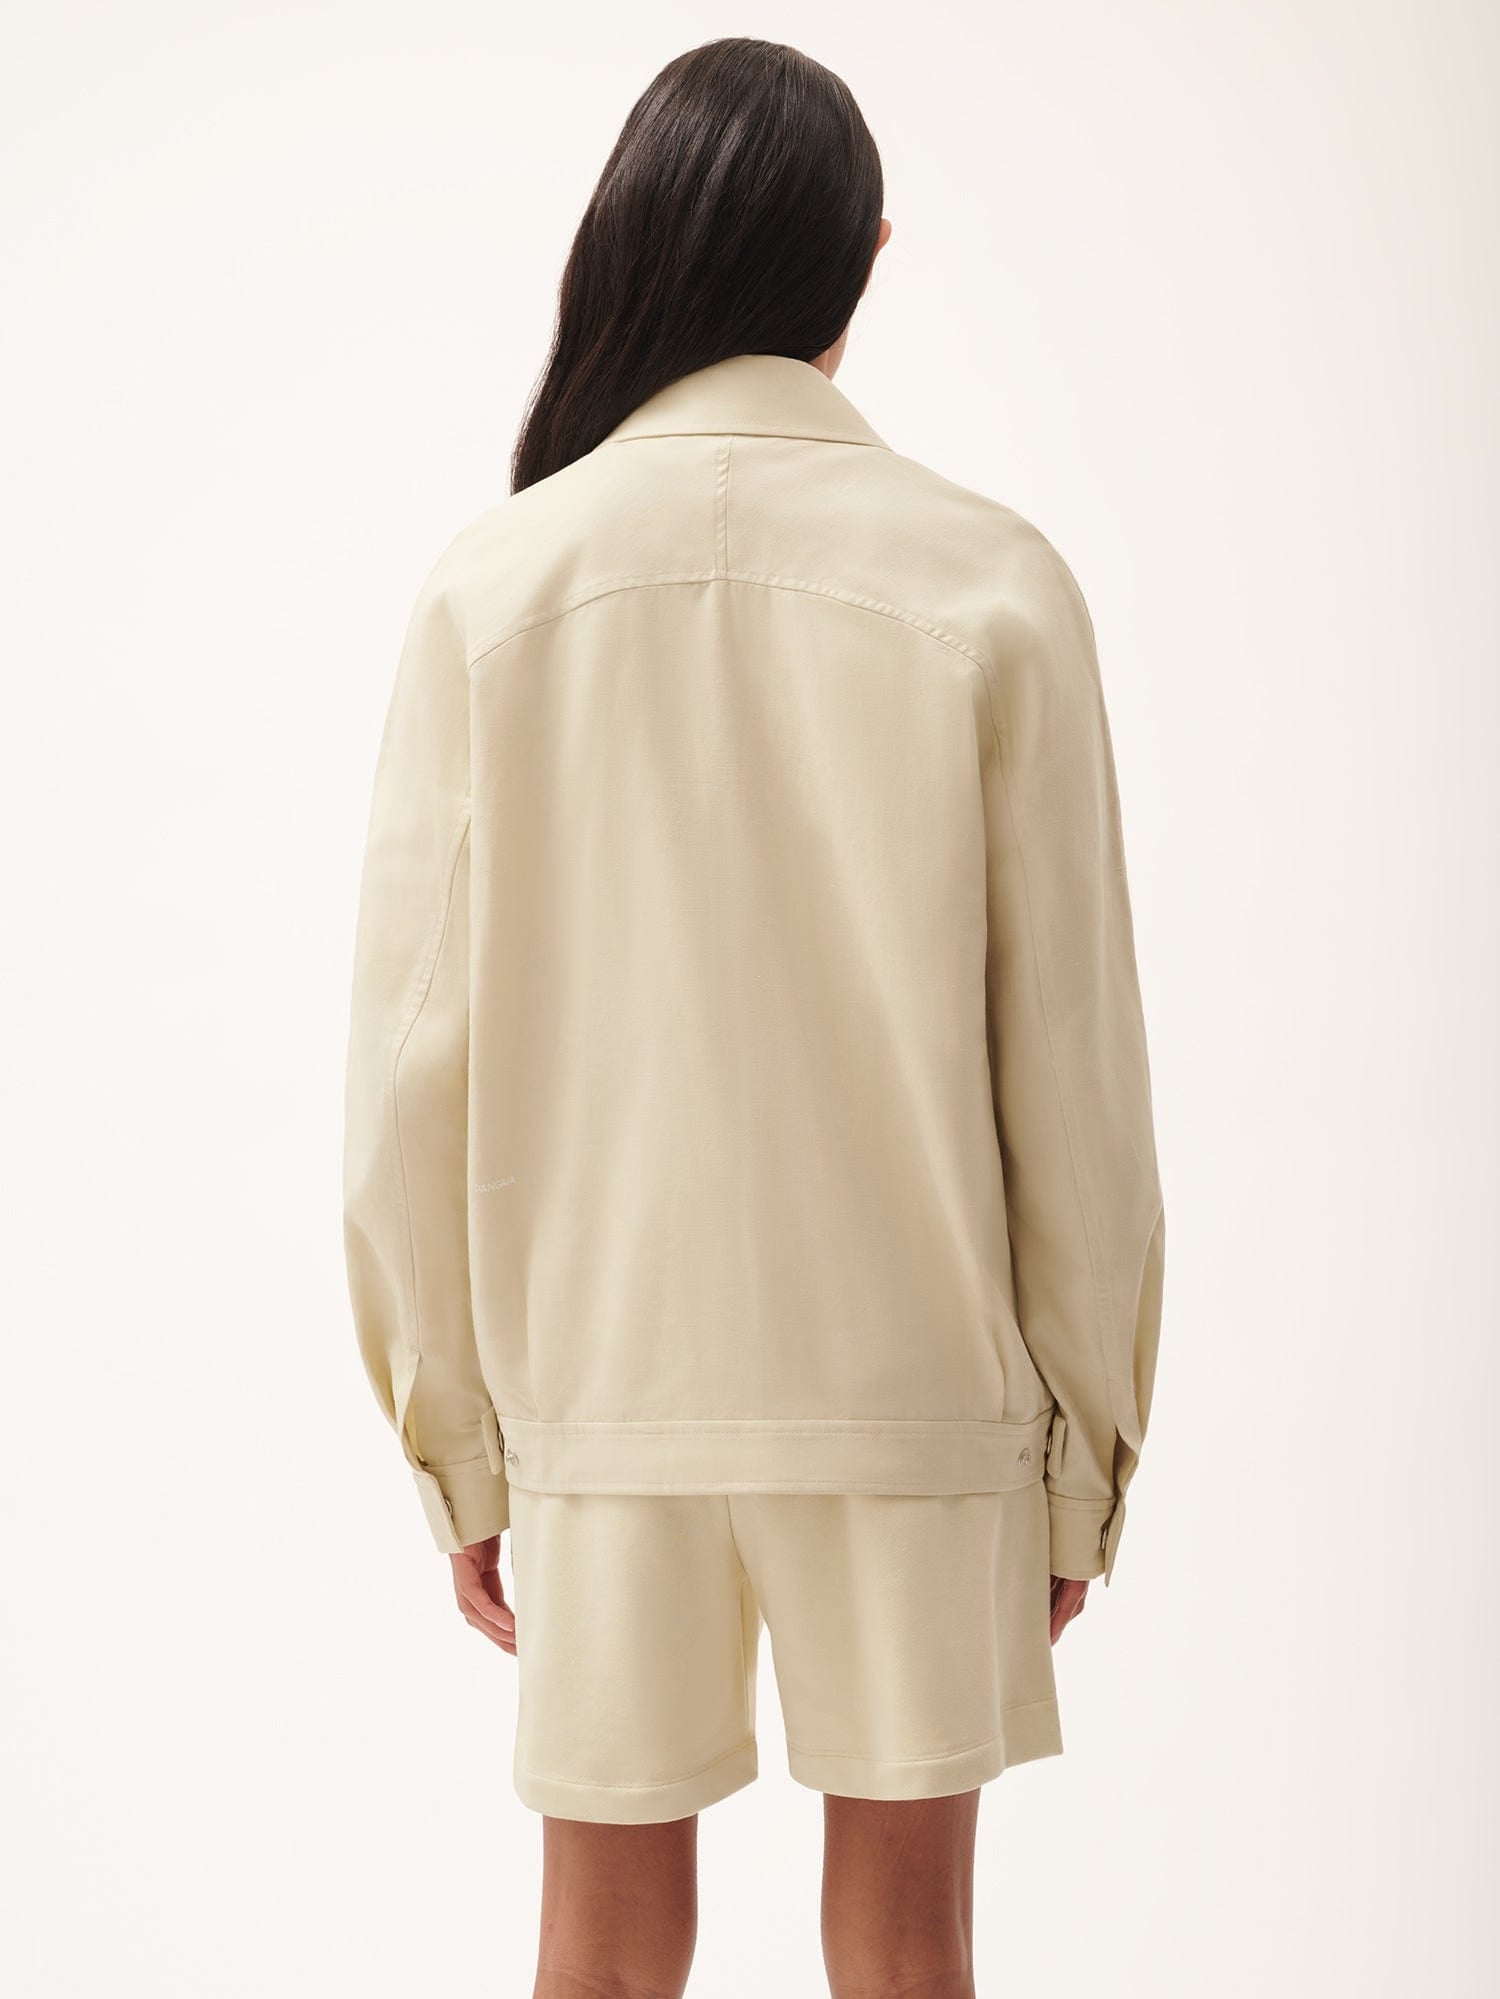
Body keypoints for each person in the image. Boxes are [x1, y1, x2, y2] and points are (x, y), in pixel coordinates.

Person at [342, 34, 1165, 1999]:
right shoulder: (995, 582)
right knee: (907, 1948)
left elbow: (409, 1073)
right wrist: (1083, 1454)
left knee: (602, 1953)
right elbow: (1074, 1076)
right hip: (921, 1389)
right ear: (862, 258)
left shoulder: (496, 588)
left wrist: (460, 1442)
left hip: (607, 1387)